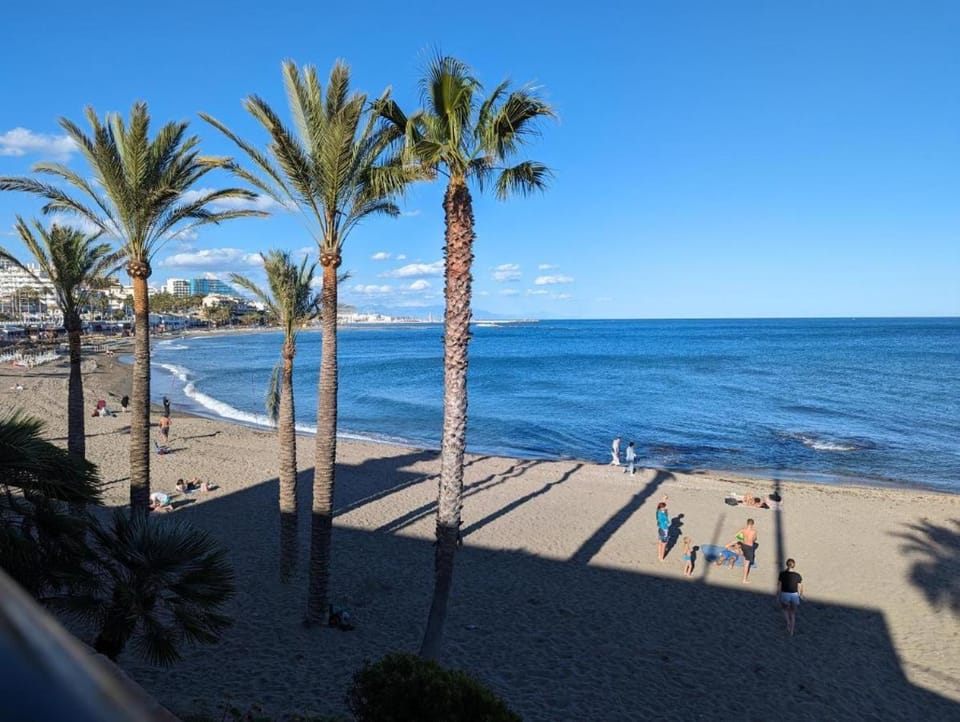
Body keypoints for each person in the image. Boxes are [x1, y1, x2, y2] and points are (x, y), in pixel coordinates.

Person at [776, 558, 804, 636]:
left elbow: (779, 586)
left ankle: (788, 622)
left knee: (785, 609)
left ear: (787, 565)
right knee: (793, 613)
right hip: (794, 595)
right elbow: (800, 586)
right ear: (794, 565)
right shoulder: (797, 575)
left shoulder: (782, 574)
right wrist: (801, 594)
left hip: (785, 594)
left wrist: (778, 595)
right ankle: (791, 631)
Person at [736, 519, 758, 584]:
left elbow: (736, 535)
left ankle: (739, 552)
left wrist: (743, 538)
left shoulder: (743, 530)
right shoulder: (754, 531)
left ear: (747, 523)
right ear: (752, 524)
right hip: (749, 547)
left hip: (744, 545)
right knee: (747, 564)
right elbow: (755, 539)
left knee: (745, 560)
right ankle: (744, 579)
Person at [656, 495, 670, 561]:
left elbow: (661, 505)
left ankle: (659, 555)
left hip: (660, 529)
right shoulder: (663, 513)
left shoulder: (658, 511)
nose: (665, 508)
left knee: (659, 542)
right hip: (664, 529)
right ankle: (661, 557)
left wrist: (664, 499)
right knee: (663, 544)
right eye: (664, 507)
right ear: (662, 508)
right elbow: (663, 507)